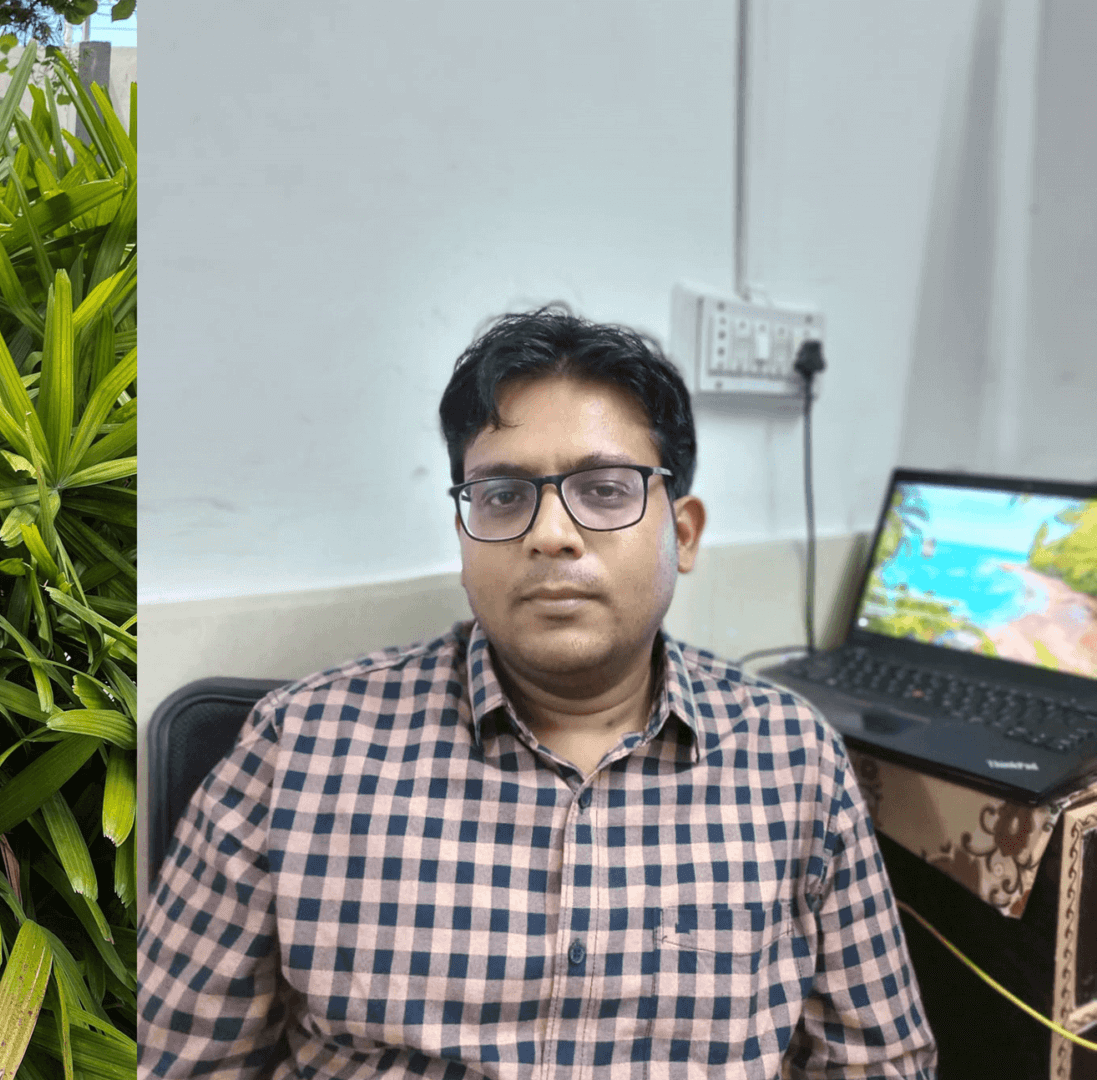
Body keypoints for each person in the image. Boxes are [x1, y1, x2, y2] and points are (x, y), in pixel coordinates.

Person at [139, 309, 936, 1078]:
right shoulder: (299, 750)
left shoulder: (793, 763)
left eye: (606, 489)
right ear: (464, 536)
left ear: (681, 533)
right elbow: (178, 1058)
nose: (551, 532)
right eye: (503, 495)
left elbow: (879, 1061)